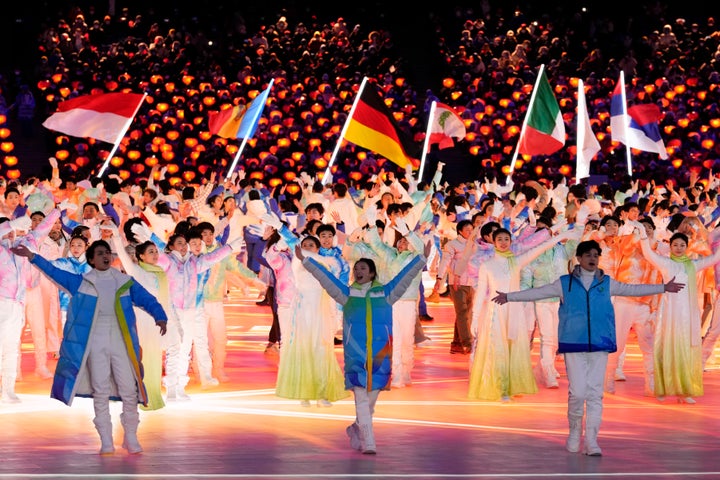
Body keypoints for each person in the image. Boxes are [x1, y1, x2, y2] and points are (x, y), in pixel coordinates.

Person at [491, 240, 684, 456]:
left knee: (594, 394)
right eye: (588, 255)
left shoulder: (607, 282)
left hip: (600, 344)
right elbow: (538, 292)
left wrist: (663, 287)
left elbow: (633, 289)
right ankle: (574, 432)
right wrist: (509, 297)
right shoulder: (565, 283)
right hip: (574, 344)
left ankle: (592, 440)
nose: (593, 259)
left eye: (596, 255)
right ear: (579, 259)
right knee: (578, 392)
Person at [12, 240, 168, 455]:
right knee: (100, 390)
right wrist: (32, 256)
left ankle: (130, 436)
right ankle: (106, 439)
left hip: (122, 342)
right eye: (100, 253)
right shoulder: (81, 282)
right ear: (91, 259)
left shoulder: (124, 281)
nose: (105, 256)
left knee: (129, 389)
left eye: (107, 252)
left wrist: (160, 316)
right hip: (95, 344)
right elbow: (53, 272)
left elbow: (148, 300)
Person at [298, 243, 425, 454]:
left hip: (380, 357)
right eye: (356, 269)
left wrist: (421, 260)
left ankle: (356, 428)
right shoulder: (346, 295)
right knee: (362, 399)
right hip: (356, 356)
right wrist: (307, 261)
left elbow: (406, 275)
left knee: (370, 403)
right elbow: (325, 279)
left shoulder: (386, 293)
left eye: (363, 269)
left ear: (372, 273)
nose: (358, 272)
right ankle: (369, 442)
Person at [637, 231, 720, 403]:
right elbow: (648, 253)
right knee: (667, 349)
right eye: (675, 245)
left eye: (682, 245)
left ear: (687, 247)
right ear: (670, 246)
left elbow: (714, 258)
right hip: (669, 313)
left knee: (686, 350)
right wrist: (643, 236)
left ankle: (684, 391)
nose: (679, 248)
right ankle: (663, 388)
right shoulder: (665, 263)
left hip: (688, 316)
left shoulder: (693, 264)